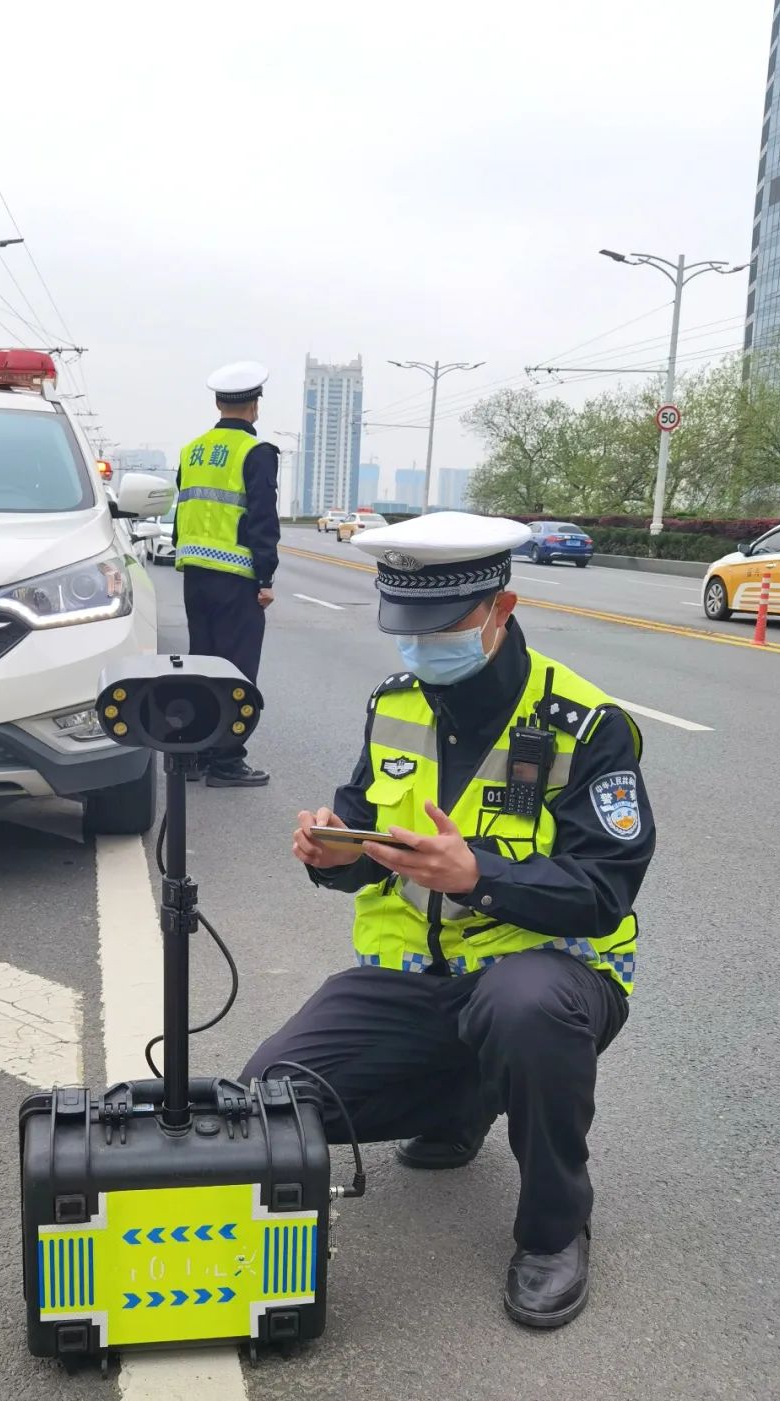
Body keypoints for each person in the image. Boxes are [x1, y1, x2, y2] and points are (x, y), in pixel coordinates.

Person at [242, 511, 656, 1329]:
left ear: (501, 608)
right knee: (273, 1099)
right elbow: (367, 834)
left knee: (522, 1010)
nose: (421, 644)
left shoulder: (585, 725)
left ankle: (554, 1229)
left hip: (547, 976)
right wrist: (332, 852)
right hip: (415, 979)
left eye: (442, 625)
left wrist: (480, 877)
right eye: (407, 625)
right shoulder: (395, 704)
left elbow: (605, 888)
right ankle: (459, 1103)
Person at [175, 360, 280, 787]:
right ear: (255, 406)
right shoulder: (256, 452)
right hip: (236, 578)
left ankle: (195, 754)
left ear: (218, 404)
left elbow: (183, 511)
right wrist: (265, 579)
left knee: (201, 665)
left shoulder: (192, 450)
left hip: (194, 575)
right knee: (237, 672)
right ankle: (226, 760)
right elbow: (262, 520)